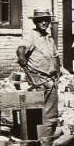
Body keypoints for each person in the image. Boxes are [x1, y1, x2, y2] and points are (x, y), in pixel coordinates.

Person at [16, 8, 61, 139]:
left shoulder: (49, 38)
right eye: (41, 20)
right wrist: (22, 58)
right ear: (36, 22)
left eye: (46, 20)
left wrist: (58, 72)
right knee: (38, 112)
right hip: (39, 80)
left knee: (51, 113)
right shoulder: (31, 36)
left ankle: (47, 140)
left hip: (51, 80)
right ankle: (39, 140)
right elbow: (21, 50)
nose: (44, 23)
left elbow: (55, 56)